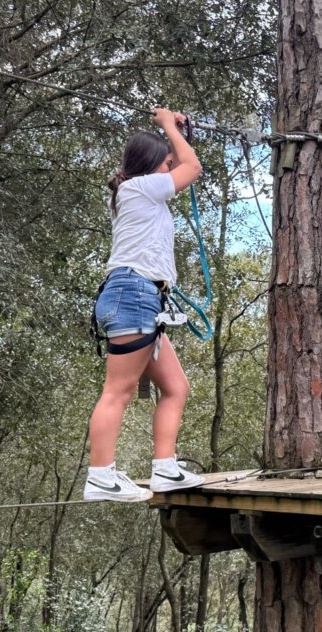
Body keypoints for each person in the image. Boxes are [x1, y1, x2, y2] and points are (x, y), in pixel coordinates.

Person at [83, 108, 207, 502]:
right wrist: (168, 125)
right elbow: (192, 167)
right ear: (152, 164)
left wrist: (175, 135)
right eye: (166, 164)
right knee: (117, 391)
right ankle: (100, 476)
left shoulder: (137, 193)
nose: (171, 170)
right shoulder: (139, 189)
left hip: (142, 297)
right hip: (133, 294)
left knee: (175, 387)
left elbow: (183, 162)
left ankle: (165, 470)